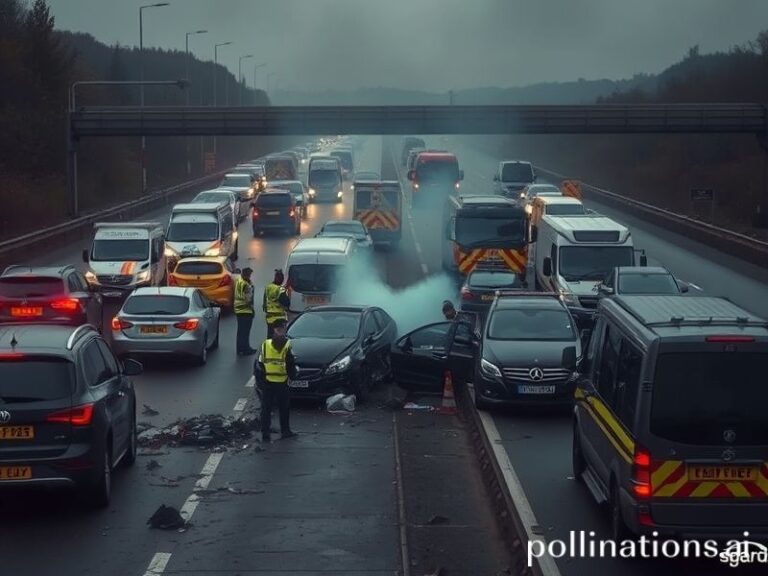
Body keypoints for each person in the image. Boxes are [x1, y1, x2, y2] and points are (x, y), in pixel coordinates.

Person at [254, 318, 298, 442]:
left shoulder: (265, 344)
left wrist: (261, 380)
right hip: (282, 382)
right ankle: (285, 431)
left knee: (266, 408)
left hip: (268, 381)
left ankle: (265, 434)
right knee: (284, 408)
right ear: (283, 329)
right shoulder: (287, 344)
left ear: (274, 329)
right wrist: (293, 376)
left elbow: (260, 363)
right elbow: (290, 363)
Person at [234, 267, 256, 356]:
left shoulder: (239, 282)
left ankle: (239, 349)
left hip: (238, 310)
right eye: (249, 275)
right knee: (245, 332)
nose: (250, 276)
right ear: (246, 275)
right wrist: (252, 309)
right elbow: (248, 299)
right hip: (246, 310)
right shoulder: (246, 285)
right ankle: (246, 349)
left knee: (240, 331)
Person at [263, 269, 291, 338]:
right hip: (279, 318)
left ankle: (268, 348)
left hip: (269, 318)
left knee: (270, 337)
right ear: (281, 279)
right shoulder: (280, 289)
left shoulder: (268, 287)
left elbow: (264, 303)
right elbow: (286, 303)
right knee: (279, 338)